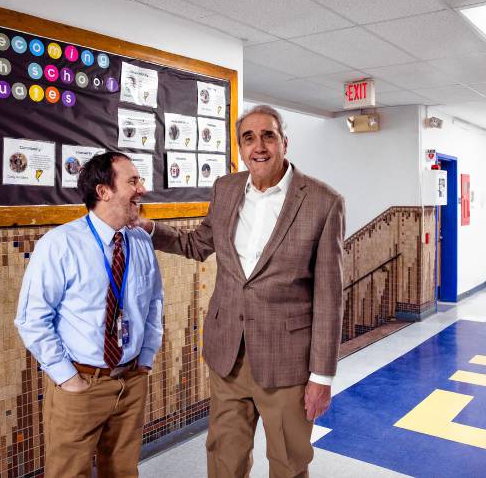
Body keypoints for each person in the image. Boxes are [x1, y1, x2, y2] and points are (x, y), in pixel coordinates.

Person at [137, 104, 344, 477]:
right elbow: (198, 245)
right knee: (223, 457)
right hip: (228, 354)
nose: (259, 146)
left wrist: (321, 377)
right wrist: (150, 228)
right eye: (248, 138)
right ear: (240, 147)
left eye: (268, 135)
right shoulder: (226, 189)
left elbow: (330, 296)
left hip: (287, 362)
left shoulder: (323, 202)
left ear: (284, 142)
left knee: (288, 462)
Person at [15, 151, 163, 477]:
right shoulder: (60, 244)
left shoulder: (139, 240)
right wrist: (68, 379)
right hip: (81, 384)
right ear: (103, 191)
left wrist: (146, 359)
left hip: (131, 379)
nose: (142, 189)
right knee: (69, 472)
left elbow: (154, 303)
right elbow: (32, 319)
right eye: (133, 181)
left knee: (123, 471)